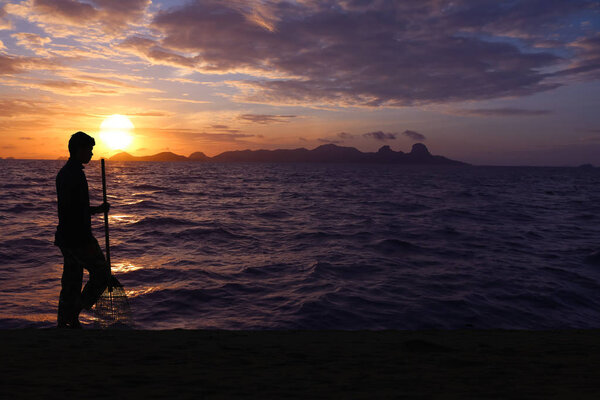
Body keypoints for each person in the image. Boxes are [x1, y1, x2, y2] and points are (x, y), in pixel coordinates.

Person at [55, 131, 110, 329]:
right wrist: (94, 212)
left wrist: (97, 210)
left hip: (66, 237)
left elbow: (76, 208)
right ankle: (74, 312)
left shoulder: (67, 173)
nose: (92, 154)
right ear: (79, 150)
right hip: (78, 238)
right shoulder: (74, 175)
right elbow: (74, 210)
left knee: (71, 280)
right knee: (102, 274)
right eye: (89, 149)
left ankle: (65, 323)